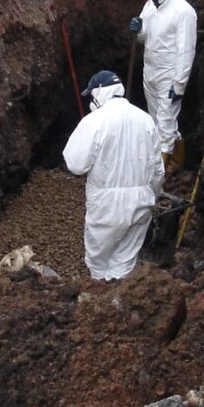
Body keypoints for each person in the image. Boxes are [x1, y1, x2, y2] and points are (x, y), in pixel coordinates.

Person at [62, 69, 165, 281]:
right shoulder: (145, 120)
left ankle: (100, 300)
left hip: (106, 203)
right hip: (141, 200)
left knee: (98, 263)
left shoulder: (95, 121)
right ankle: (120, 301)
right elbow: (157, 169)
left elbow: (75, 164)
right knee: (125, 261)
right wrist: (152, 196)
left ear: (98, 93)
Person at [128, 0, 197, 171]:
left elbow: (186, 50)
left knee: (166, 121)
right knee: (156, 119)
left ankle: (161, 171)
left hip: (169, 74)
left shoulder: (183, 12)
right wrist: (137, 30)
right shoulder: (149, 7)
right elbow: (144, 37)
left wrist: (179, 83)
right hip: (150, 71)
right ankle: (176, 161)